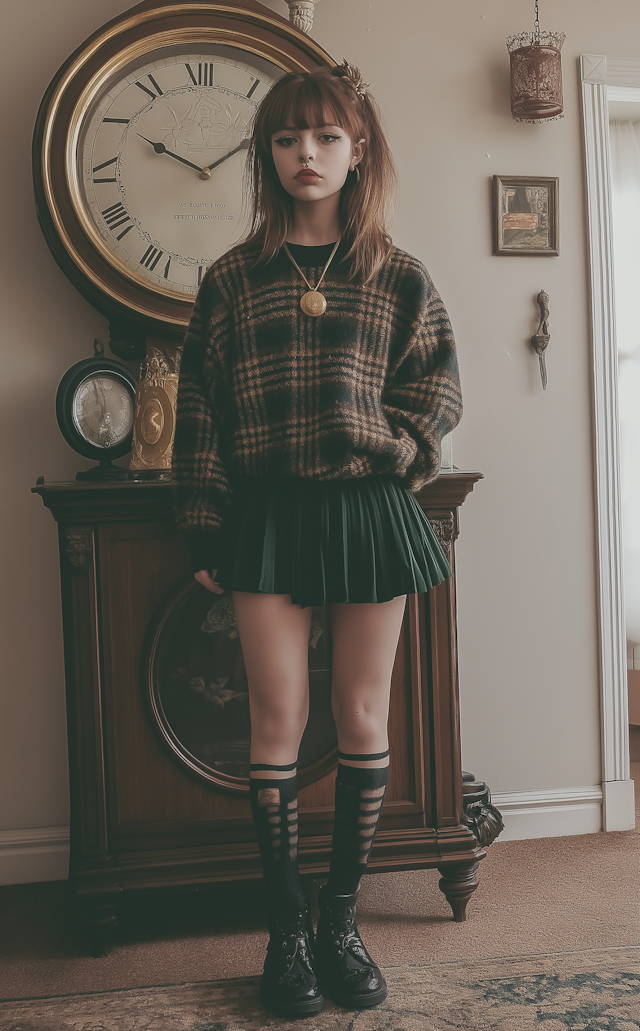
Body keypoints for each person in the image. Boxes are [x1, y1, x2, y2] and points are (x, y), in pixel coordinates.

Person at [173, 60, 462, 1019]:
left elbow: (437, 398)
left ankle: (342, 918)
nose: (308, 154)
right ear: (267, 152)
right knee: (276, 721)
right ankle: (287, 927)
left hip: (369, 511)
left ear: (358, 148)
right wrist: (206, 522)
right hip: (265, 514)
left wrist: (384, 450)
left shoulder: (398, 274)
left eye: (327, 137)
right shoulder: (232, 279)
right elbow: (203, 419)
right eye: (290, 138)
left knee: (363, 717)